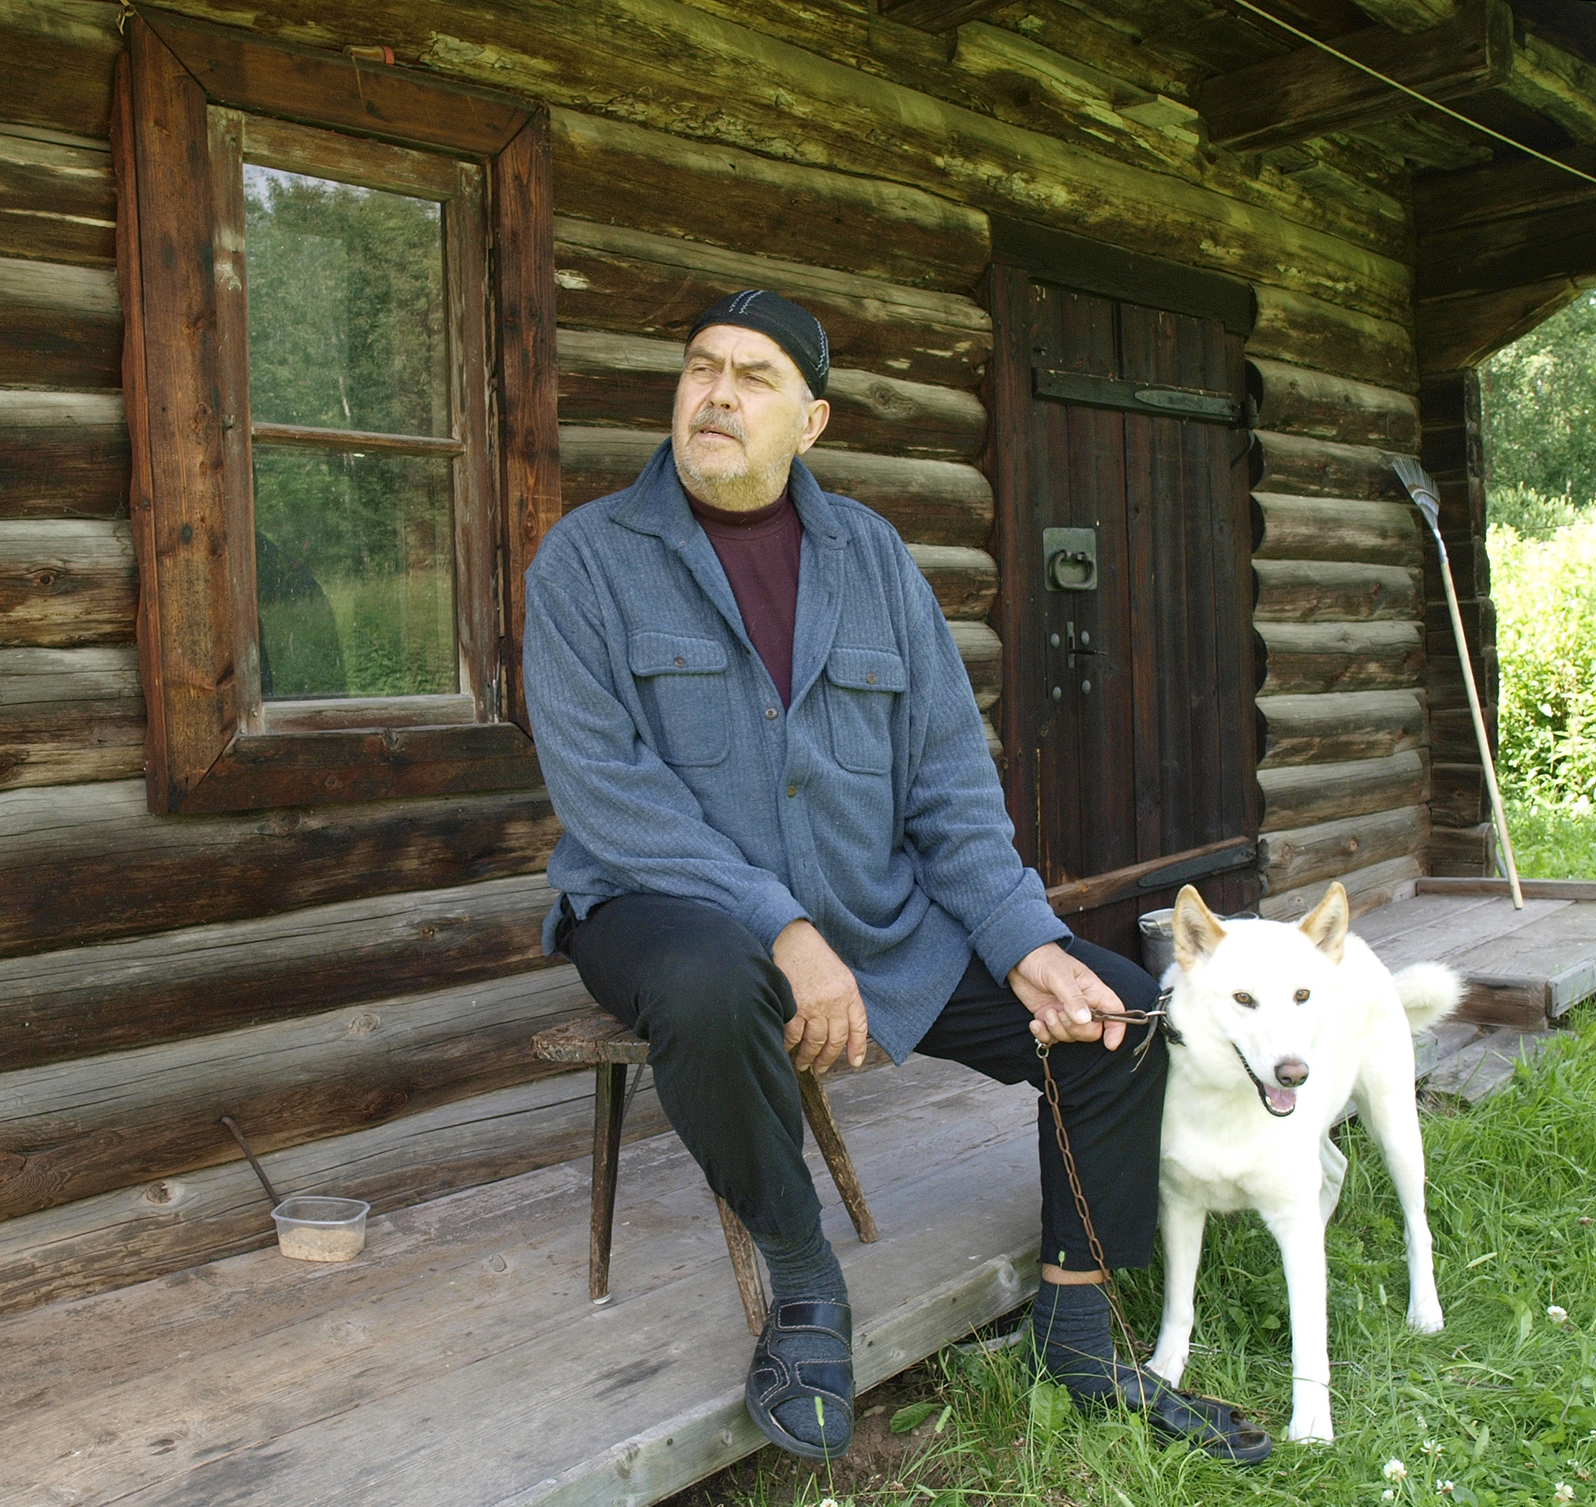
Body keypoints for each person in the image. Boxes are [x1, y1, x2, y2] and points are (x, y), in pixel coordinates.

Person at [521, 290, 1270, 1466]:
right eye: (700, 369)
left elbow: (948, 789)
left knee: (1110, 1014)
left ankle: (1079, 1335)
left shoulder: (870, 558)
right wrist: (782, 929)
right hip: (652, 903)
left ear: (808, 421)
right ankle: (805, 1286)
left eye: (752, 376)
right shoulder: (587, 562)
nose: (715, 393)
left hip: (874, 916)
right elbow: (611, 797)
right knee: (714, 983)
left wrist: (1025, 940)